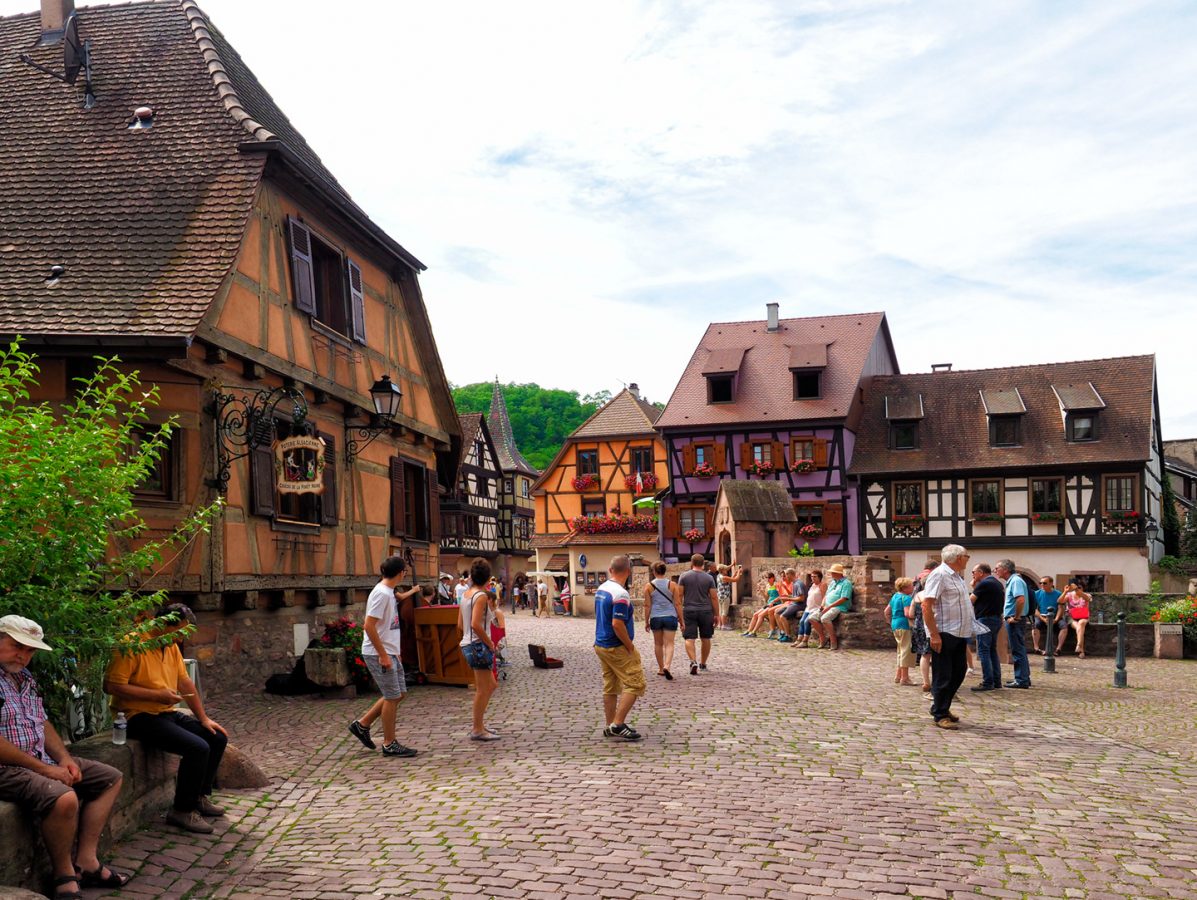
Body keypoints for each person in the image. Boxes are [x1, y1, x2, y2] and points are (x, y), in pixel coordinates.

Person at [1, 616, 130, 899]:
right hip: (6, 767)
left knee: (110, 778)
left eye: (30, 650)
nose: (23, 655)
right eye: (16, 646)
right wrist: (45, 770)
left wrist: (64, 759)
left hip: (35, 757)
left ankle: (87, 862)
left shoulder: (24, 677)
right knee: (64, 798)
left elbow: (41, 722)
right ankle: (63, 876)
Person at [103, 603, 229, 835]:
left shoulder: (170, 645)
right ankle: (182, 810)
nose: (180, 640)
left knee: (216, 737)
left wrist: (204, 719)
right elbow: (111, 686)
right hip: (136, 716)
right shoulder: (132, 643)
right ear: (162, 624)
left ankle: (198, 797)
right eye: (178, 633)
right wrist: (157, 695)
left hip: (165, 713)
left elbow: (185, 682)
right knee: (197, 747)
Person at [345, 557, 421, 758]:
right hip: (379, 653)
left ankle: (362, 725)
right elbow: (369, 625)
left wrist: (394, 651)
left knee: (399, 693)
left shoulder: (388, 592)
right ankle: (389, 743)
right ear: (401, 573)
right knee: (392, 696)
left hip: (389, 651)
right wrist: (383, 654)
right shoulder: (381, 593)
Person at [920, 545, 975, 729]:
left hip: (959, 632)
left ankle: (941, 706)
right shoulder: (939, 575)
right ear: (958, 558)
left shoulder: (957, 576)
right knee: (943, 675)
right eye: (966, 556)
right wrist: (934, 634)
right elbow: (926, 605)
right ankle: (940, 714)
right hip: (944, 632)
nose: (968, 559)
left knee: (959, 672)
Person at [593, 555, 646, 740]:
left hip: (601, 644)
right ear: (629, 572)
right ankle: (617, 724)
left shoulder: (602, 588)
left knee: (611, 686)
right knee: (635, 683)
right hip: (616, 646)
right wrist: (630, 646)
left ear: (610, 570)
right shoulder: (620, 594)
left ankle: (610, 725)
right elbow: (617, 624)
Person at [460, 557, 501, 741]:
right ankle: (477, 729)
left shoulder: (466, 594)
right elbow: (476, 624)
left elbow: (460, 624)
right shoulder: (481, 596)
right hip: (478, 644)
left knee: (491, 685)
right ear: (487, 577)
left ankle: (480, 724)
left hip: (468, 643)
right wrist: (490, 643)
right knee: (483, 689)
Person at [679, 554, 721, 674]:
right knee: (706, 638)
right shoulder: (709, 578)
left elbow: (679, 596)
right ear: (703, 564)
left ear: (692, 563)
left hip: (689, 610)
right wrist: (717, 614)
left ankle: (693, 661)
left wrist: (679, 613)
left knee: (689, 638)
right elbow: (714, 597)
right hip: (706, 611)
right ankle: (703, 663)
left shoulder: (684, 576)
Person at [969, 562, 1006, 692]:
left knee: (983, 651)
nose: (972, 575)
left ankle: (988, 682)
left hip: (985, 619)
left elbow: (970, 601)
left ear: (981, 572)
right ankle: (996, 681)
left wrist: (974, 586)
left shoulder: (984, 584)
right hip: (996, 619)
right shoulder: (996, 583)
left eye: (973, 572)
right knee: (992, 650)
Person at [644, 562, 683, 680]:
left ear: (653, 572)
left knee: (658, 644)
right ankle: (667, 666)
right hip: (670, 616)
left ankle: (661, 669)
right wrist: (681, 620)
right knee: (669, 643)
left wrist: (646, 621)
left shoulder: (648, 586)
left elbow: (647, 605)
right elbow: (677, 603)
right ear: (665, 571)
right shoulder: (673, 585)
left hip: (655, 617)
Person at [996, 559, 1031, 688]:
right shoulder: (1014, 580)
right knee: (1019, 649)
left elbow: (1020, 600)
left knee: (1017, 650)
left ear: (1005, 569)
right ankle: (1023, 678)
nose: (995, 570)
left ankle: (1021, 680)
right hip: (1014, 619)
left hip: (1015, 621)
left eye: (997, 568)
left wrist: (1016, 617)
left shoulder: (1015, 581)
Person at [809, 563, 853, 650]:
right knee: (812, 618)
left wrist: (829, 607)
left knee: (825, 618)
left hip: (839, 606)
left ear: (838, 573)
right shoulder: (833, 582)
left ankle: (833, 640)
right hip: (827, 606)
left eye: (833, 572)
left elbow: (844, 598)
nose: (831, 574)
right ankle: (823, 638)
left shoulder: (846, 583)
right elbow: (826, 595)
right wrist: (823, 605)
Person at [889, 577, 916, 684]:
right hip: (905, 625)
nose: (913, 588)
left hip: (895, 624)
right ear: (905, 588)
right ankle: (905, 677)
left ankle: (898, 675)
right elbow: (907, 614)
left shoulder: (895, 596)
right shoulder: (907, 598)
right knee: (906, 650)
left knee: (900, 650)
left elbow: (886, 611)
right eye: (911, 586)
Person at [742, 573, 782, 637]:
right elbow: (767, 598)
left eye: (769, 578)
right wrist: (762, 592)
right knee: (755, 615)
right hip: (769, 604)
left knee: (761, 615)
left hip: (775, 604)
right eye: (767, 578)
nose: (768, 579)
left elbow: (781, 595)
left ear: (773, 578)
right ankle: (749, 630)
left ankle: (754, 632)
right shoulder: (767, 586)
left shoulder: (777, 585)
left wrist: (774, 601)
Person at [1032, 577, 1064, 654]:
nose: (1042, 585)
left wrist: (1056, 619)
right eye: (1041, 583)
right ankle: (1036, 648)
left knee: (1064, 626)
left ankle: (1058, 649)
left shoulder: (1058, 594)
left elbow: (1060, 608)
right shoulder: (1036, 593)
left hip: (1054, 616)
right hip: (1041, 616)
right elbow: (1034, 609)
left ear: (1051, 584)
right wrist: (1043, 619)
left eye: (1044, 583)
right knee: (1035, 625)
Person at [792, 571, 823, 648]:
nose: (813, 578)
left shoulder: (822, 585)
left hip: (816, 608)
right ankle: (799, 639)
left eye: (815, 576)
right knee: (801, 621)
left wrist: (823, 606)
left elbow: (824, 596)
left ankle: (805, 641)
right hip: (809, 608)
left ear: (819, 577)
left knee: (806, 621)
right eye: (812, 576)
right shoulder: (812, 585)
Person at [776, 568, 808, 642]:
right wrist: (785, 597)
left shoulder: (798, 584)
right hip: (794, 603)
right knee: (777, 613)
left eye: (786, 575)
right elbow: (795, 596)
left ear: (790, 574)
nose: (785, 577)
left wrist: (788, 599)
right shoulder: (794, 583)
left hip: (799, 605)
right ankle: (783, 633)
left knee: (782, 616)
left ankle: (788, 636)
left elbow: (801, 598)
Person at [1061, 581, 1092, 657]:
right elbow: (1060, 601)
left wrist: (1078, 591)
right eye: (1075, 588)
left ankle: (1079, 645)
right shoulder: (1069, 595)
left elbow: (1088, 599)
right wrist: (1065, 592)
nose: (1077, 589)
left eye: (1079, 587)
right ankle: (1081, 650)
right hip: (1071, 617)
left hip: (1083, 616)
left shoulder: (1086, 595)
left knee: (1081, 624)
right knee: (1079, 627)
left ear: (1083, 588)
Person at [715, 563, 743, 629]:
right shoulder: (724, 577)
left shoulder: (719, 576)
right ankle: (724, 625)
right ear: (722, 570)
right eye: (726, 570)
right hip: (725, 596)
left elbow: (729, 579)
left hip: (720, 596)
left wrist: (735, 573)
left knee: (721, 611)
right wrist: (739, 572)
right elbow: (735, 580)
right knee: (724, 611)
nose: (727, 571)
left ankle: (720, 625)